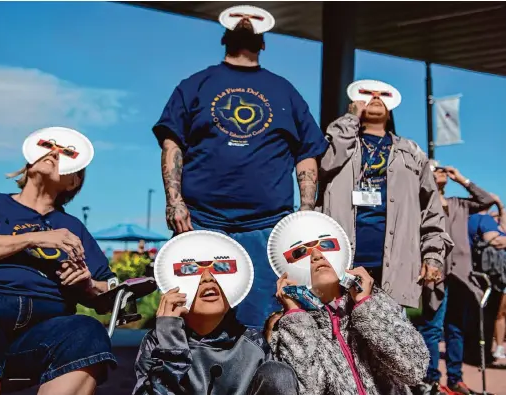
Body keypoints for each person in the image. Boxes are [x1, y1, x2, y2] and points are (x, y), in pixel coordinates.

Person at [153, 6, 328, 327]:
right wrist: (174, 202)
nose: (246, 25)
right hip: (201, 223)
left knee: (260, 322)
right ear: (224, 36)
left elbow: (307, 152)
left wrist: (303, 214)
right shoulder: (195, 85)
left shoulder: (284, 90)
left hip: (267, 228)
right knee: (197, 321)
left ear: (264, 43)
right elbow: (172, 143)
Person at [0, 128, 117, 395]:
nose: (53, 152)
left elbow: (109, 294)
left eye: (66, 152)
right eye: (47, 146)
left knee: (86, 331)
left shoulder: (72, 227)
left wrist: (87, 285)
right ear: (29, 161)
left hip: (42, 330)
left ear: (73, 181)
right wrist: (30, 239)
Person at [317, 80, 452, 308]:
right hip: (341, 263)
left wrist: (432, 256)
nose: (376, 97)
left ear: (390, 112)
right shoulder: (341, 144)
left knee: (386, 340)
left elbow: (431, 211)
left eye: (382, 96)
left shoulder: (412, 152)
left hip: (395, 267)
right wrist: (351, 119)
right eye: (368, 94)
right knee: (340, 339)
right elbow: (324, 164)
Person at [269, 249, 429, 395]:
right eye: (300, 252)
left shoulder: (376, 303)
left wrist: (366, 305)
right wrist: (296, 318)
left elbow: (415, 369)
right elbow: (307, 389)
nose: (317, 256)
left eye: (325, 245)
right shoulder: (288, 327)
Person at [133, 269, 297, 395]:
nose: (208, 277)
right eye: (191, 270)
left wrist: (295, 313)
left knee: (279, 373)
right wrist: (170, 342)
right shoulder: (158, 340)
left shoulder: (254, 343)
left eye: (220, 268)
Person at [415, 162, 496, 395]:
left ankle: (455, 379)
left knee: (456, 329)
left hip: (461, 277)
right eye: (434, 169)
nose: (440, 171)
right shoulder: (423, 203)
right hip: (435, 277)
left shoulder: (458, 204)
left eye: (443, 170)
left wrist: (461, 179)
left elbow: (487, 201)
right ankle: (431, 381)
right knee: (431, 328)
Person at [468, 202, 506, 361]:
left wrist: (500, 209)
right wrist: (499, 206)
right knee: (492, 313)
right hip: (492, 275)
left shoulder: (472, 218)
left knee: (491, 313)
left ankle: (484, 352)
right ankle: (481, 354)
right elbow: (497, 240)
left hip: (487, 274)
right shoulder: (484, 220)